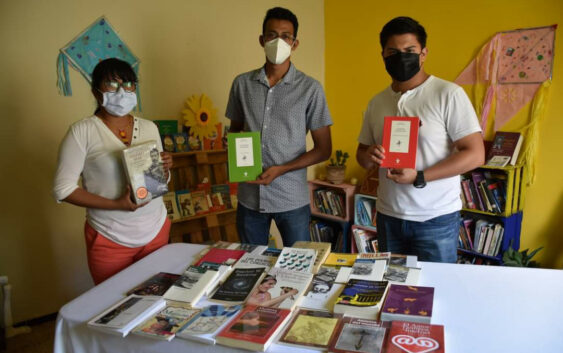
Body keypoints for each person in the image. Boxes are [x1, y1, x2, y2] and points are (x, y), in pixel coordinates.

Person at [356, 17, 484, 263]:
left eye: (410, 51)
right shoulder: (377, 102)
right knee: (393, 288)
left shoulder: (448, 94)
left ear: (423, 53)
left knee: (435, 290)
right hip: (388, 215)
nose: (401, 57)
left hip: (435, 219)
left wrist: (420, 176)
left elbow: (475, 154)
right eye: (393, 52)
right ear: (383, 54)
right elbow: (362, 155)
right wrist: (368, 155)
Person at [53, 58, 173, 284]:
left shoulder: (149, 127)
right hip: (110, 237)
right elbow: (63, 189)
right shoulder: (82, 131)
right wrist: (116, 204)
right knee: (115, 307)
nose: (122, 91)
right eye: (112, 84)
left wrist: (166, 169)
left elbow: (156, 181)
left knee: (157, 299)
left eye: (128, 84)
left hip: (156, 230)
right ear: (96, 92)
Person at [226, 7, 332, 246]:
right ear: (262, 40)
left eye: (286, 36)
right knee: (251, 265)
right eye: (272, 35)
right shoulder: (242, 84)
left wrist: (282, 168)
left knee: (298, 265)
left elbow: (324, 149)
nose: (279, 41)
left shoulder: (310, 89)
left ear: (295, 44)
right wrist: (236, 155)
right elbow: (235, 131)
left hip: (291, 198)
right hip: (249, 196)